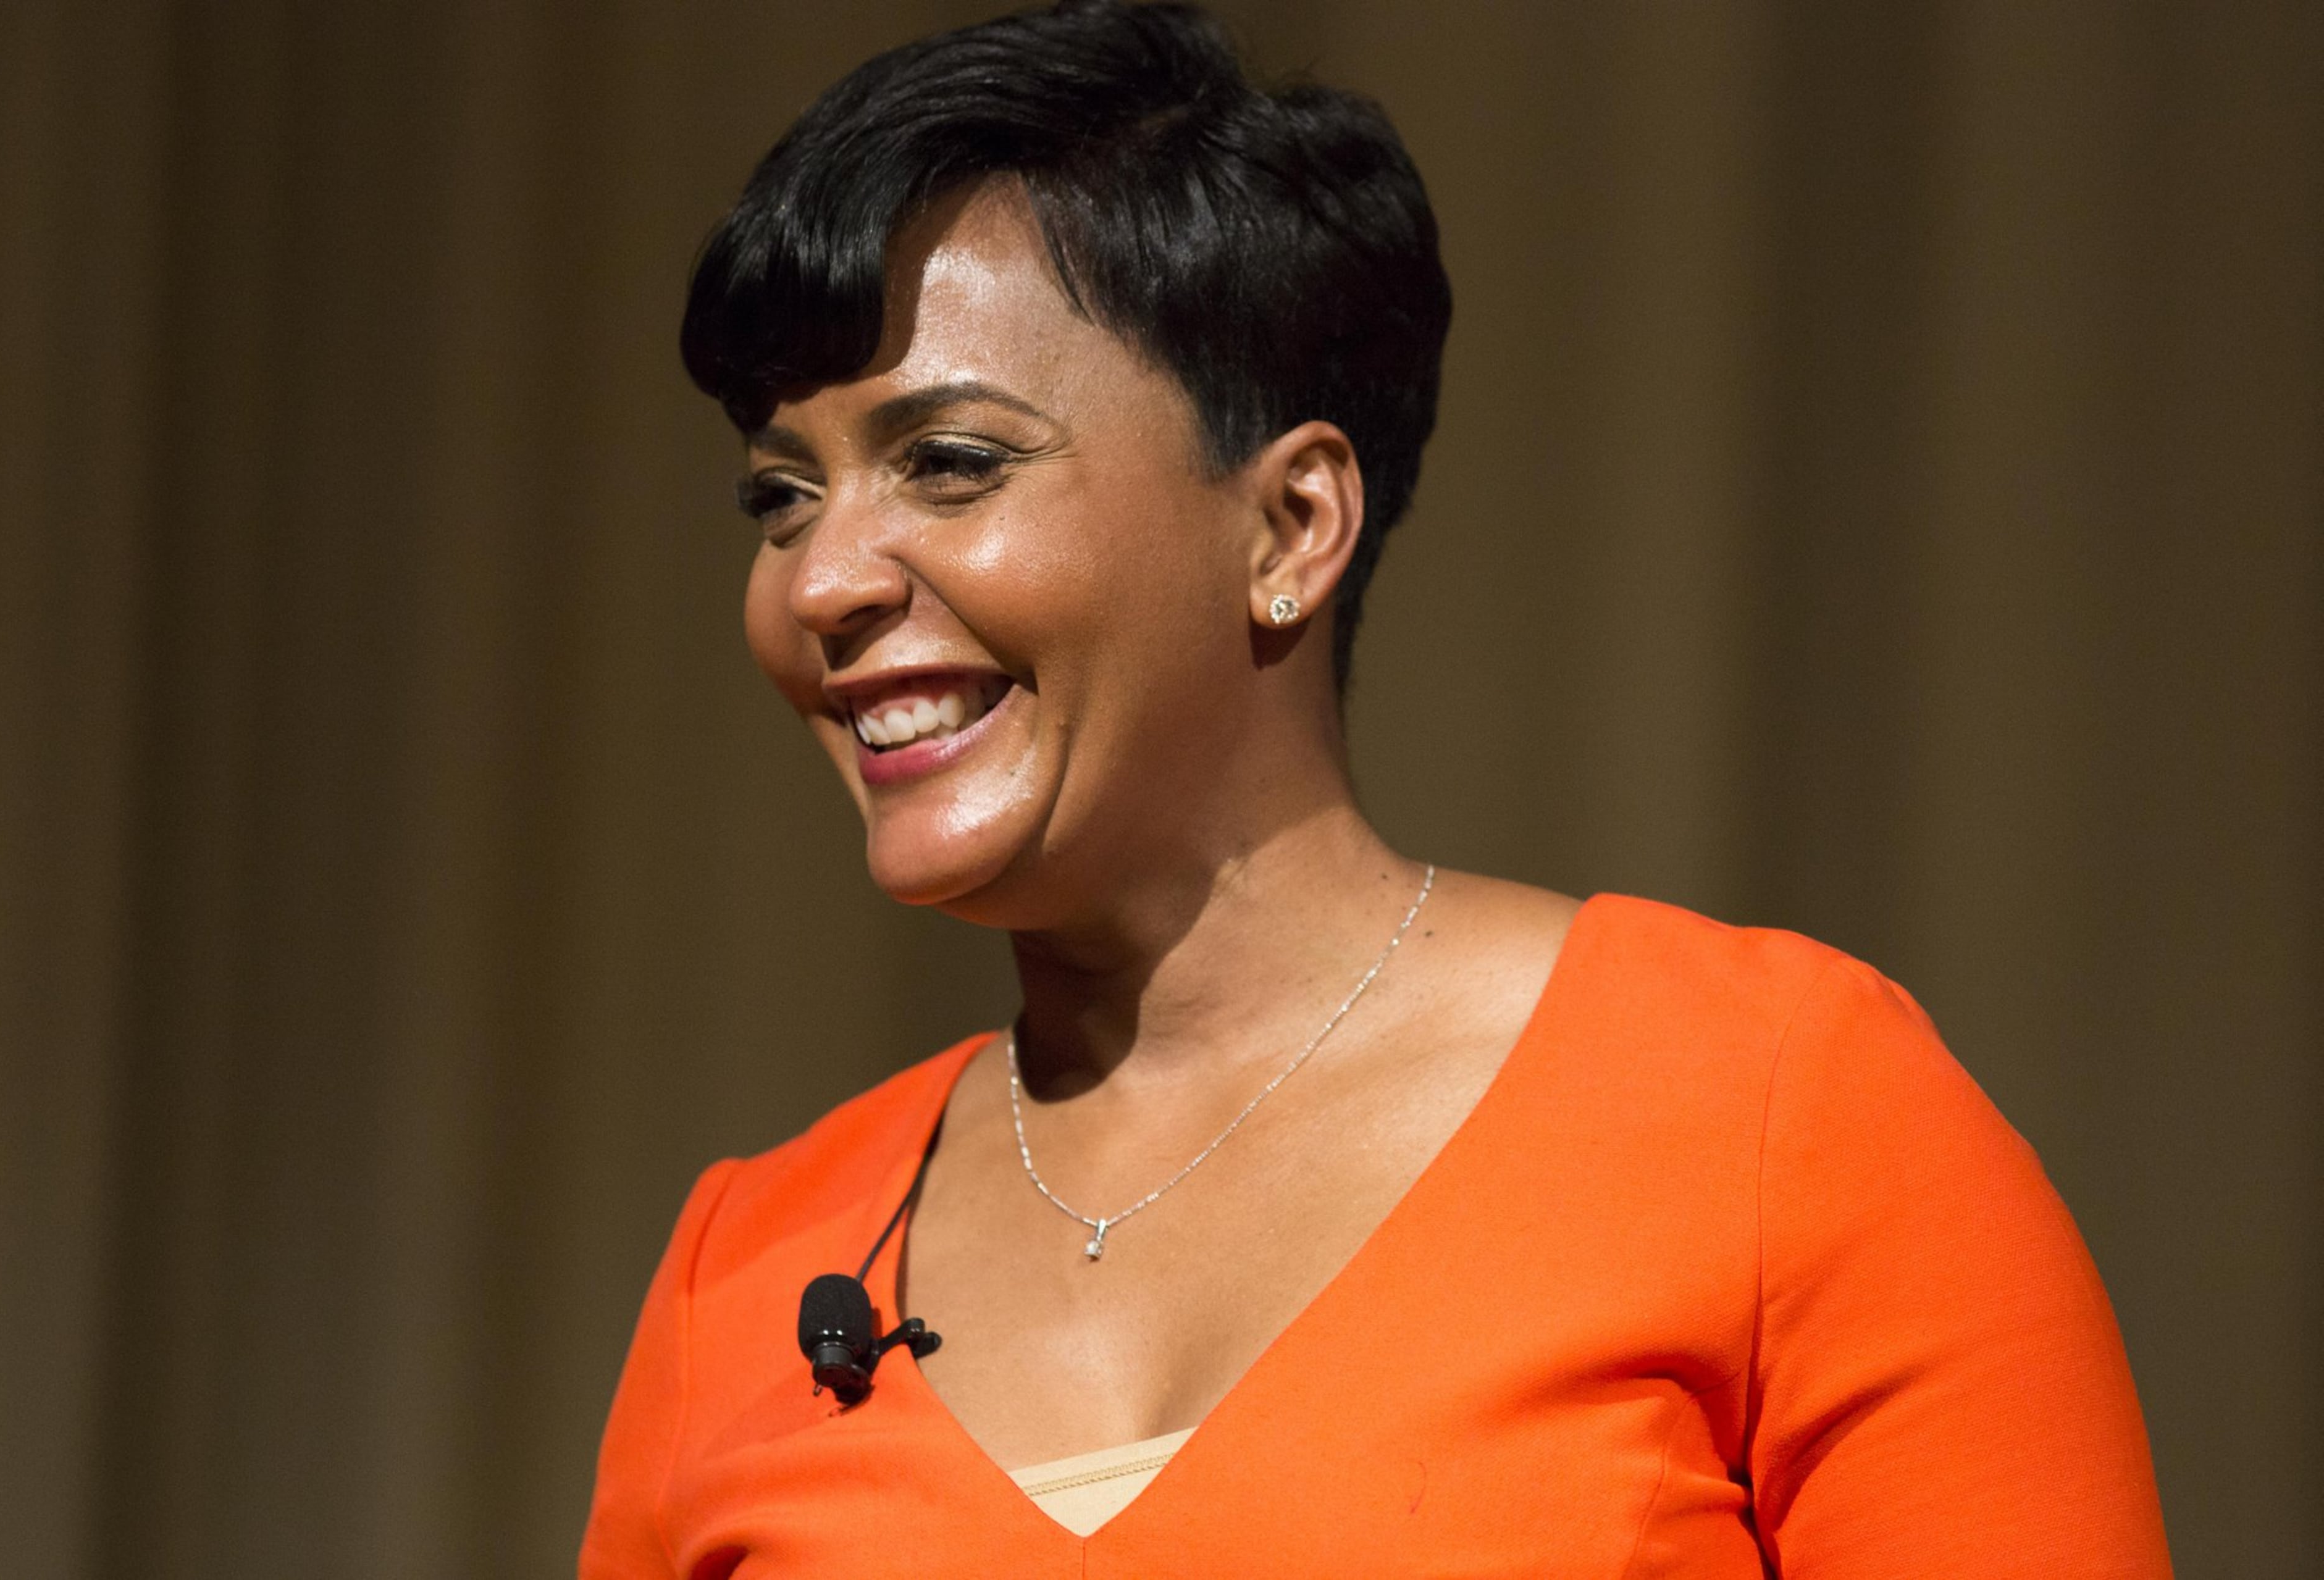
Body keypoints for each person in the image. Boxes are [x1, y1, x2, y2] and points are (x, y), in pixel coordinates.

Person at [580, 2, 2172, 1574]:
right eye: (782, 498)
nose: (821, 582)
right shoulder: (744, 1267)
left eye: (951, 463)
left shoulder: (1784, 1115)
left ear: (1291, 526)